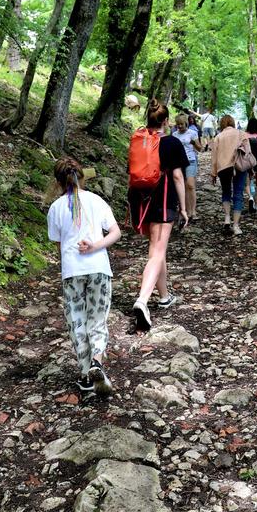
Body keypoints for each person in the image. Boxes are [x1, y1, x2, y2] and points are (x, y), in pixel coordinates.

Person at [47, 156, 121, 399]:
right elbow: (116, 232)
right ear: (82, 177)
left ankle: (85, 374)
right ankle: (97, 363)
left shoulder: (56, 207)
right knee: (97, 319)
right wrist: (95, 246)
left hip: (72, 271)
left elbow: (59, 245)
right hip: (99, 267)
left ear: (58, 182)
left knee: (77, 321)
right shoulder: (96, 200)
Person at [128, 99, 189, 331]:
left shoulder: (138, 141)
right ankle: (143, 300)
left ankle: (164, 296)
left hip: (142, 200)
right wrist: (183, 208)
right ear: (166, 121)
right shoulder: (173, 143)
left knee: (156, 249)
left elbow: (130, 174)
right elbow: (177, 177)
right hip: (164, 199)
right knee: (157, 252)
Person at [210, 114, 248, 236]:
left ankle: (227, 218)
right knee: (238, 194)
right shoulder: (241, 134)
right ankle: (236, 226)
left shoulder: (218, 137)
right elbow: (247, 152)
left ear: (222, 124)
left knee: (226, 192)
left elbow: (214, 158)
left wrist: (213, 173)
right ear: (232, 122)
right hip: (239, 167)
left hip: (224, 168)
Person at [174, 112, 201, 222]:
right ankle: (185, 211)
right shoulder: (174, 134)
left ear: (186, 123)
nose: (180, 126)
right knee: (183, 187)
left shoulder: (193, 133)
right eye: (178, 124)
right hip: (179, 162)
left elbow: (200, 148)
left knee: (190, 185)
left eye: (181, 124)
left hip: (190, 160)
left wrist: (193, 142)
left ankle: (193, 211)